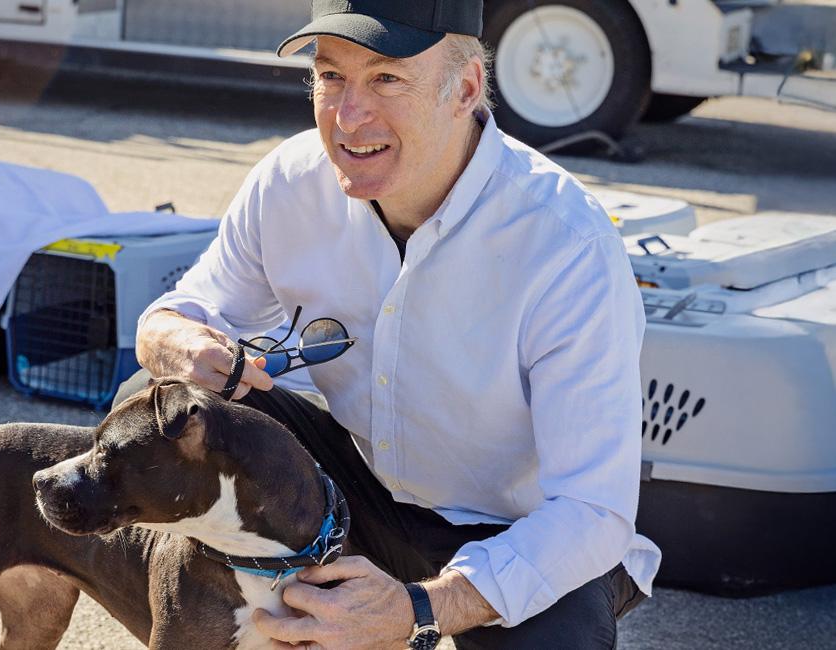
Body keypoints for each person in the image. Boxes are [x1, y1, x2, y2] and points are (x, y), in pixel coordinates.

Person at [121, 0, 661, 647]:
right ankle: (207, 621)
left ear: (464, 89)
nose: (349, 116)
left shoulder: (564, 241)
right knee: (156, 406)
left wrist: (418, 609)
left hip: (517, 527)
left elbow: (592, 510)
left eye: (386, 79)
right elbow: (180, 313)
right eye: (330, 77)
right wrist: (179, 344)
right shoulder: (290, 183)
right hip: (356, 487)